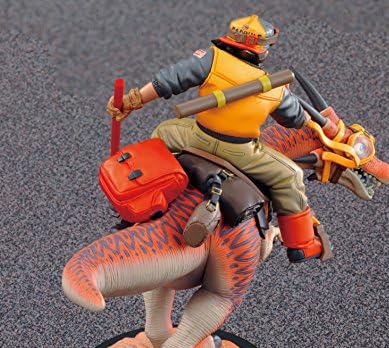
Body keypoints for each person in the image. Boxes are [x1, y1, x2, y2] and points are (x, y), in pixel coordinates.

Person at [107, 14, 323, 262]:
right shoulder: (275, 87)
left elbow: (169, 79)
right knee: (290, 176)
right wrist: (307, 118)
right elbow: (294, 119)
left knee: (163, 131)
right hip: (241, 152)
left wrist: (132, 101)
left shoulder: (212, 58)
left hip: (198, 137)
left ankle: (141, 194)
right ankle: (301, 245)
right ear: (256, 51)